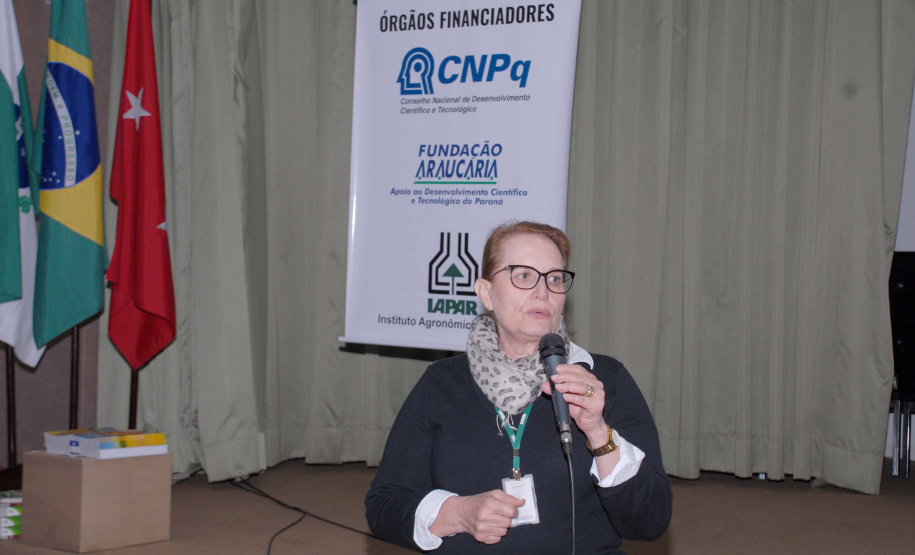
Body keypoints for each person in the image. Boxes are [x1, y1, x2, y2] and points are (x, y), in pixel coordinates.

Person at [365, 221, 672, 553]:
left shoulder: (602, 380)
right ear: (486, 293)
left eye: (554, 278)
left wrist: (598, 432)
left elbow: (650, 522)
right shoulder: (440, 385)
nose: (543, 291)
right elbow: (383, 506)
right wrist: (457, 513)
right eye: (524, 275)